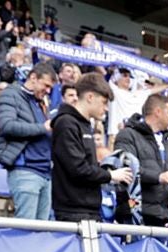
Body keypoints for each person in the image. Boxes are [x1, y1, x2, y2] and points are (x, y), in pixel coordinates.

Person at [51, 73, 133, 223]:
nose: (106, 108)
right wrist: (111, 175)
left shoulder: (85, 125)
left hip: (90, 208)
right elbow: (77, 169)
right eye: (104, 102)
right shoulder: (66, 123)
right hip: (72, 211)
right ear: (90, 97)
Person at [0, 62, 55, 220]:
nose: (48, 91)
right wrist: (43, 127)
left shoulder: (40, 102)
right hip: (25, 171)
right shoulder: (10, 94)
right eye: (46, 85)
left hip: (45, 173)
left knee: (42, 232)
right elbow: (7, 125)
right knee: (25, 231)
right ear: (33, 77)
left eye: (50, 88)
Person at [114, 94, 168, 227]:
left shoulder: (167, 143)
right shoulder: (128, 135)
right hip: (135, 215)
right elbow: (126, 168)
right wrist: (158, 177)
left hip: (162, 216)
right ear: (158, 112)